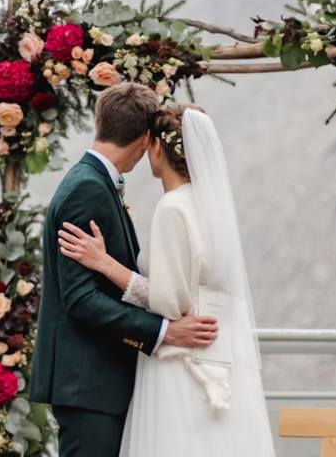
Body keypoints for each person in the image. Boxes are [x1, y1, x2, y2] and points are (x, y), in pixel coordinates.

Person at [57, 102, 275, 455]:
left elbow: (168, 301)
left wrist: (106, 264)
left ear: (157, 146)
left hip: (178, 359)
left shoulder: (173, 208)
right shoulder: (209, 205)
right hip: (219, 356)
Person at [29, 84, 219, 457]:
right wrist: (165, 332)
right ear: (147, 136)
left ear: (100, 122)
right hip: (89, 383)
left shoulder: (93, 182)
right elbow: (81, 299)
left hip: (96, 383)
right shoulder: (87, 190)